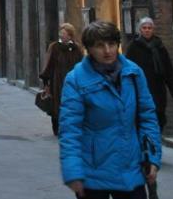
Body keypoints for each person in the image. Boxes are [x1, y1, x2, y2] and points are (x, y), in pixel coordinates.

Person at [59, 20, 161, 199]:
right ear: (89, 49)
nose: (107, 51)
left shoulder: (133, 73)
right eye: (100, 46)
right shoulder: (75, 79)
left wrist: (152, 157)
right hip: (93, 172)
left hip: (130, 168)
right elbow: (70, 130)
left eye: (112, 44)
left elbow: (147, 117)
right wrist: (73, 171)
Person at [124, 18, 173, 143]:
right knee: (142, 116)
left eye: (149, 28)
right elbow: (128, 69)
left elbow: (168, 69)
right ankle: (144, 143)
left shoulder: (159, 46)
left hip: (158, 88)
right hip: (141, 88)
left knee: (159, 115)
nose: (147, 30)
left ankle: (154, 140)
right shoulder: (134, 47)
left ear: (153, 30)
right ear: (140, 30)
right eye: (144, 28)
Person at [40, 23, 84, 136]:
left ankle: (71, 126)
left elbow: (81, 65)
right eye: (61, 33)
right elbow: (48, 64)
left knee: (71, 104)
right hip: (57, 81)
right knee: (57, 105)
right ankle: (57, 127)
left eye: (64, 33)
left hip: (73, 82)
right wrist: (46, 82)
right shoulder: (54, 47)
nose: (61, 35)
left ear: (70, 36)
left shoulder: (76, 48)